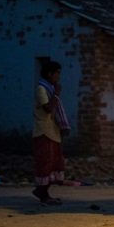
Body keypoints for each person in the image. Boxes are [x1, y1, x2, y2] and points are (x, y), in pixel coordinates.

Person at [32, 60, 70, 205]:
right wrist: (57, 93)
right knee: (45, 163)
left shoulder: (51, 89)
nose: (59, 76)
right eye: (57, 73)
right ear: (50, 74)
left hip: (53, 130)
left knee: (54, 163)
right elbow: (48, 108)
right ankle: (43, 194)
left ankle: (43, 192)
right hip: (44, 131)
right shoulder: (41, 89)